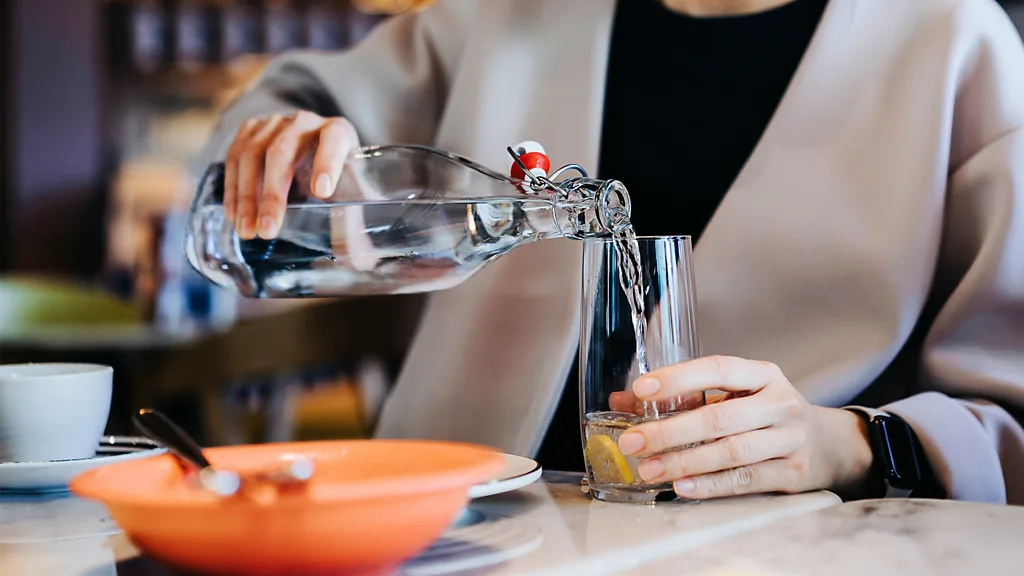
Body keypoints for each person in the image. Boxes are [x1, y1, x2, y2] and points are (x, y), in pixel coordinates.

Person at [201, 0, 1024, 504]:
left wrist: (844, 443)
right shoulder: (509, 16)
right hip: (438, 527)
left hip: (765, 550)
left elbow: (1008, 427)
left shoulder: (955, 44)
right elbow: (294, 104)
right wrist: (281, 144)